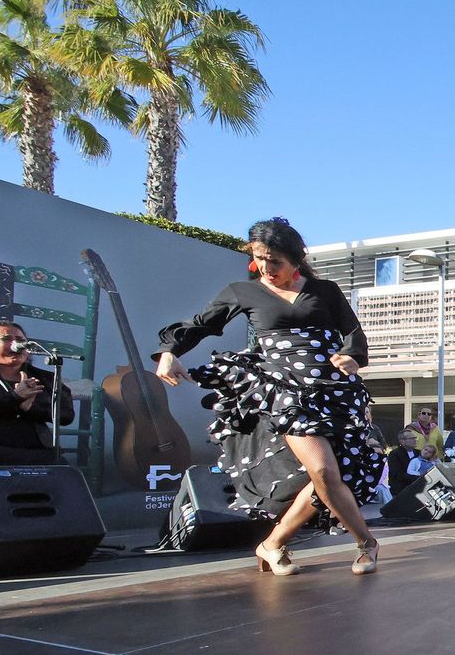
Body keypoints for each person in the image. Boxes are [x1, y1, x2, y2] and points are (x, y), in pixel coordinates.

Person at [154, 218, 382, 576]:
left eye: (274, 260)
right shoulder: (242, 292)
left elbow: (353, 332)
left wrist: (352, 356)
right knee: (322, 468)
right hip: (286, 390)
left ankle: (273, 544)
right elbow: (201, 324)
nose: (266, 267)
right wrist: (170, 352)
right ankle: (365, 542)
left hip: (335, 389)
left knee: (330, 476)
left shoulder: (325, 291)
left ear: (295, 259)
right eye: (260, 258)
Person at [0, 320, 74, 466]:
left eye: (20, 340)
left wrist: (30, 408)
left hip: (34, 451)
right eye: (6, 339)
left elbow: (66, 416)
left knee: (64, 472)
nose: (15, 344)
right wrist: (15, 397)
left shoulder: (45, 378)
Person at [386, 429, 421, 495]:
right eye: (412, 438)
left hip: (418, 490)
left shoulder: (419, 453)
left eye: (415, 438)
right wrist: (418, 478)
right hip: (400, 491)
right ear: (402, 441)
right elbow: (398, 474)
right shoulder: (395, 454)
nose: (415, 440)